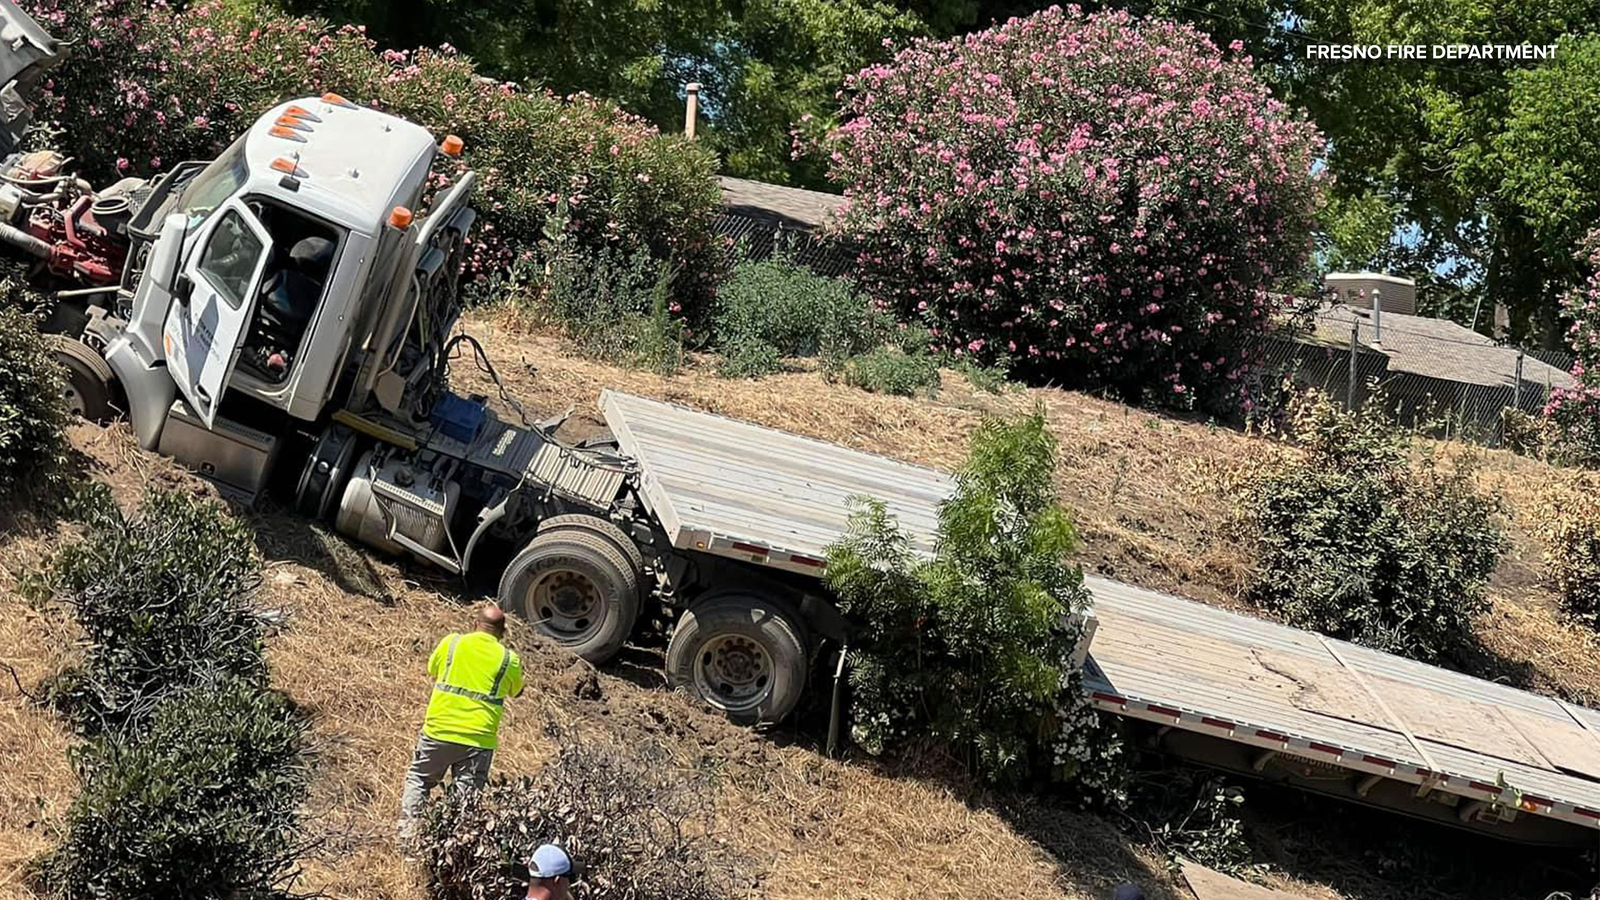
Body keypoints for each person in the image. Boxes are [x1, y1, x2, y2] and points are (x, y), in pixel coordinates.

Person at [398, 603, 524, 841]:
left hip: (438, 731)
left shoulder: (452, 643)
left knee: (420, 780)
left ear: (475, 624)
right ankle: (451, 846)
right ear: (503, 632)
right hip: (478, 740)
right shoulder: (509, 659)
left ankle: (408, 838)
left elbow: (432, 669)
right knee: (465, 799)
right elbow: (517, 691)